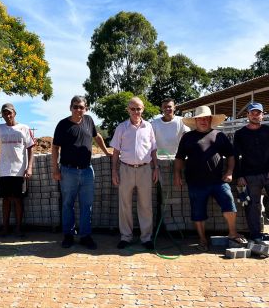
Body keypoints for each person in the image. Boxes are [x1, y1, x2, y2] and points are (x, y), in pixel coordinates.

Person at [174, 105, 247, 251]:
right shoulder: (187, 137)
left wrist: (230, 172)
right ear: (195, 121)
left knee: (229, 202)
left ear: (210, 119)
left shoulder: (219, 135)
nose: (203, 121)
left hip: (218, 180)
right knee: (197, 211)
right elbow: (179, 158)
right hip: (195, 181)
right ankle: (202, 239)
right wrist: (177, 174)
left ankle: (232, 233)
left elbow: (231, 155)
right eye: (200, 118)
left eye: (206, 118)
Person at [52, 95, 111, 250]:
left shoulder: (89, 120)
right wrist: (55, 169)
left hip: (86, 171)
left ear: (86, 108)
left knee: (87, 205)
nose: (78, 109)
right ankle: (68, 235)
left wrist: (106, 152)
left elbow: (96, 137)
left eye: (81, 107)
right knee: (67, 204)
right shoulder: (63, 125)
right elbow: (55, 147)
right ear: (70, 107)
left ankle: (85, 236)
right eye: (75, 106)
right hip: (68, 171)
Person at [233, 102, 269, 243]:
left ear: (262, 116)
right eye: (252, 112)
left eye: (258, 113)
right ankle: (256, 234)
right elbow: (235, 157)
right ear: (247, 115)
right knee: (253, 205)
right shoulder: (240, 134)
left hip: (268, 173)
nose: (255, 115)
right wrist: (239, 176)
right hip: (249, 175)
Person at [110, 96, 159, 250]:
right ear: (128, 110)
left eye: (139, 108)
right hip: (125, 169)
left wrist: (156, 167)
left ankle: (146, 238)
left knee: (145, 205)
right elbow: (116, 151)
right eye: (133, 109)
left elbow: (153, 149)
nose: (136, 112)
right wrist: (114, 171)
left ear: (143, 109)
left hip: (145, 169)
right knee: (124, 204)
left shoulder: (149, 127)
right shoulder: (121, 128)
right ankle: (126, 237)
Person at [0, 103, 35, 237]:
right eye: (4, 113)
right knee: (6, 199)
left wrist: (29, 167)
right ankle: (5, 228)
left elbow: (31, 147)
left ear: (14, 113)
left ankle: (19, 228)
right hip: (4, 170)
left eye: (9, 113)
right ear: (2, 115)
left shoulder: (23, 128)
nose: (7, 116)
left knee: (18, 199)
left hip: (19, 170)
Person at [151, 98, 188, 226]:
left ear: (175, 108)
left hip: (176, 161)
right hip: (159, 162)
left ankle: (174, 223)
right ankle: (159, 223)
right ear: (162, 109)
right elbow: (149, 141)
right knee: (159, 194)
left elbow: (186, 138)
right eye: (165, 107)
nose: (168, 109)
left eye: (170, 107)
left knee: (175, 193)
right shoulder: (154, 123)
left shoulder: (181, 121)